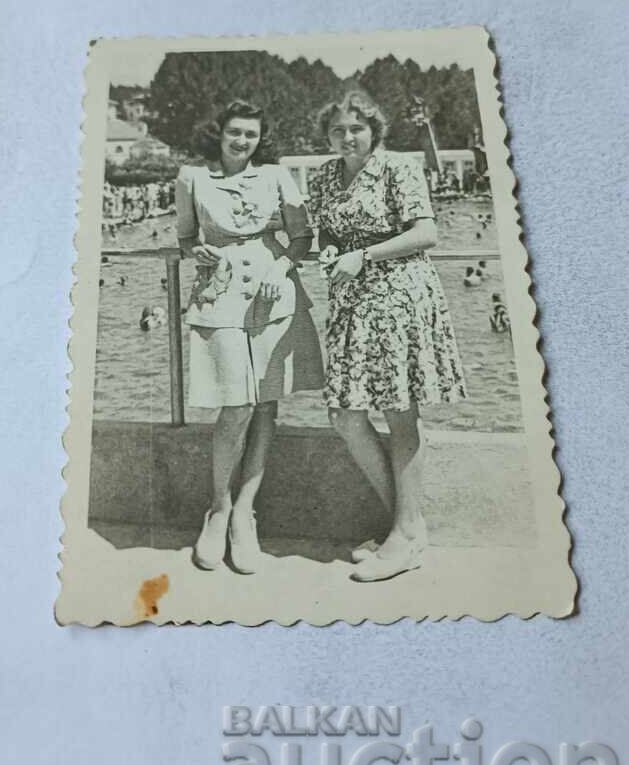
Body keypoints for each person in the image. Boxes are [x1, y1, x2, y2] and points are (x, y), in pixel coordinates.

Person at [308, 87, 466, 583]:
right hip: (352, 301)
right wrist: (331, 251)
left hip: (400, 295)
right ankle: (410, 524)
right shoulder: (324, 176)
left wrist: (366, 256)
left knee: (400, 412)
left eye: (356, 127)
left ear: (374, 129)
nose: (347, 136)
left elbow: (426, 232)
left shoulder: (398, 166)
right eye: (338, 129)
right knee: (345, 416)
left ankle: (403, 535)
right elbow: (328, 234)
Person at [175, 100, 324, 575]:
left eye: (251, 135)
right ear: (218, 134)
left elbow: (302, 238)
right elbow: (183, 237)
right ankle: (217, 510)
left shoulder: (277, 176)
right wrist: (194, 249)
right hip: (219, 293)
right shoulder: (191, 178)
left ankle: (245, 512)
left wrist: (280, 268)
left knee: (266, 402)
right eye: (235, 132)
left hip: (272, 291)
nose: (243, 141)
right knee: (235, 405)